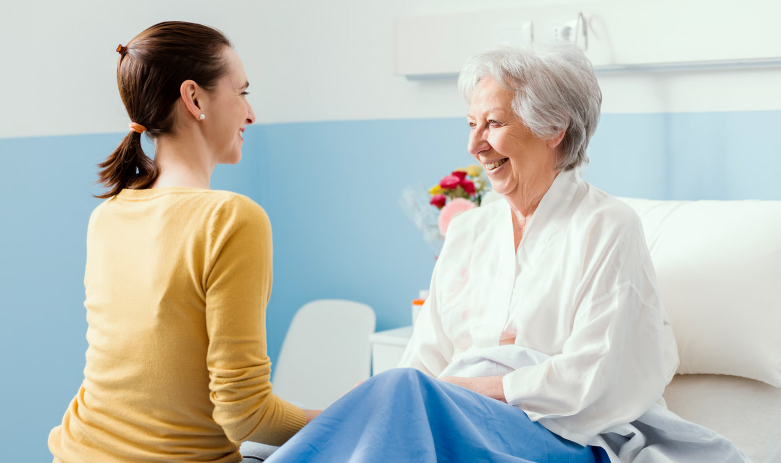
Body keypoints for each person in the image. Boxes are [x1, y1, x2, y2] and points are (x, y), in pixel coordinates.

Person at [261, 44, 749, 463]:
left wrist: (459, 390)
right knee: (400, 391)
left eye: (492, 123)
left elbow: (594, 378)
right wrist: (436, 392)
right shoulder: (469, 232)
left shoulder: (607, 227)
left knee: (403, 393)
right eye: (471, 123)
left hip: (564, 437)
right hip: (462, 423)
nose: (474, 144)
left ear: (554, 127)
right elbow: (424, 358)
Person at [48, 22, 319, 463]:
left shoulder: (109, 214)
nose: (251, 114)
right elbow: (246, 415)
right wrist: (349, 413)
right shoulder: (230, 218)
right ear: (194, 98)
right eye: (243, 93)